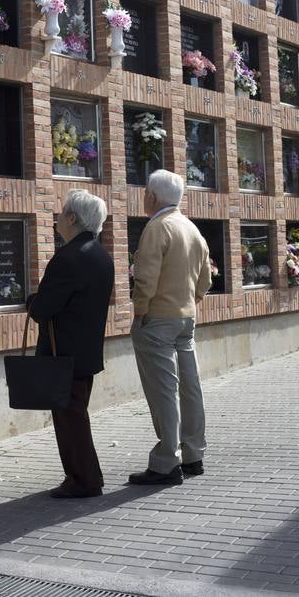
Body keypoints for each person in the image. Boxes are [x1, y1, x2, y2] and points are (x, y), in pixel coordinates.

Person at [28, 189, 114, 498]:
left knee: (70, 419)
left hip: (63, 355)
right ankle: (80, 477)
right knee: (73, 415)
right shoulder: (101, 255)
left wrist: (31, 301)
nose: (57, 219)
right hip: (86, 352)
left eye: (62, 212)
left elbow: (42, 309)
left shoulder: (67, 258)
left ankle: (85, 480)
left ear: (73, 217)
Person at [128, 169, 211, 486]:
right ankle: (194, 455)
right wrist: (194, 299)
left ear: (151, 196)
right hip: (186, 319)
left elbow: (145, 277)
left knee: (164, 392)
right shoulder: (191, 228)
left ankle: (166, 463)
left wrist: (141, 310)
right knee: (191, 388)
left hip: (157, 319)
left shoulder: (157, 227)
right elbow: (205, 277)